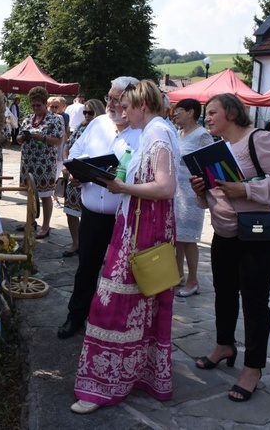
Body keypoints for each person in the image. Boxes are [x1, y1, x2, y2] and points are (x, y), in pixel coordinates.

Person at [71, 79, 180, 414]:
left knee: (113, 304)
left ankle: (104, 383)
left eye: (127, 106)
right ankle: (134, 374)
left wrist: (121, 187)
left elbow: (165, 187)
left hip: (142, 230)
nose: (122, 112)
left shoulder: (157, 133)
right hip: (139, 224)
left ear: (142, 106)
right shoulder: (155, 131)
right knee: (139, 306)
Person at [190, 93, 270, 402]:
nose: (206, 118)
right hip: (225, 234)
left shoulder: (258, 140)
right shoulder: (212, 150)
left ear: (232, 114)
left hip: (260, 237)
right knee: (224, 293)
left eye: (212, 112)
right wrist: (200, 191)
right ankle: (224, 345)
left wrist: (246, 188)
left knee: (254, 301)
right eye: (205, 114)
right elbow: (211, 200)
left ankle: (253, 367)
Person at [56, 76, 141, 339]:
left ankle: (114, 322)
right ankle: (76, 316)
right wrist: (76, 172)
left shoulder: (143, 131)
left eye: (117, 100)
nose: (111, 104)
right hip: (92, 212)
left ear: (131, 100)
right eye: (109, 98)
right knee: (86, 268)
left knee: (122, 274)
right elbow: (77, 152)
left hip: (125, 216)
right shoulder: (98, 123)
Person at [173, 98, 214, 297]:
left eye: (178, 111)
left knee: (189, 239)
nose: (174, 115)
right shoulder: (178, 133)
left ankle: (193, 279)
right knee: (177, 237)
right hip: (176, 192)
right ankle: (178, 273)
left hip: (192, 192)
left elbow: (209, 165)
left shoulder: (202, 135)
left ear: (191, 112)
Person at [18, 86, 65, 239]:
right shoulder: (27, 119)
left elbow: (58, 140)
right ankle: (30, 222)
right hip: (28, 162)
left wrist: (42, 138)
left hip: (44, 163)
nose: (35, 108)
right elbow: (18, 138)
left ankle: (46, 225)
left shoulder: (55, 119)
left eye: (38, 105)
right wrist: (22, 138)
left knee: (45, 195)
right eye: (33, 105)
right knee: (30, 194)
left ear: (45, 103)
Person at [61, 99, 106, 258]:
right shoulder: (81, 126)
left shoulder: (104, 129)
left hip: (90, 177)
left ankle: (90, 245)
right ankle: (76, 243)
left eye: (90, 112)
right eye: (84, 112)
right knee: (70, 210)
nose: (86, 115)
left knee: (89, 214)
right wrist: (66, 164)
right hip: (74, 173)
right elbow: (68, 144)